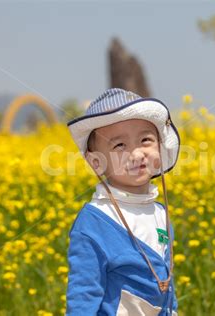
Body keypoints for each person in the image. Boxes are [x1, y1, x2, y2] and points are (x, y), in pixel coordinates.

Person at [65, 88, 181, 315]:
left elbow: (167, 284)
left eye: (145, 140)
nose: (137, 154)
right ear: (96, 161)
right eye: (119, 145)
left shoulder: (160, 213)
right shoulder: (94, 223)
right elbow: (83, 295)